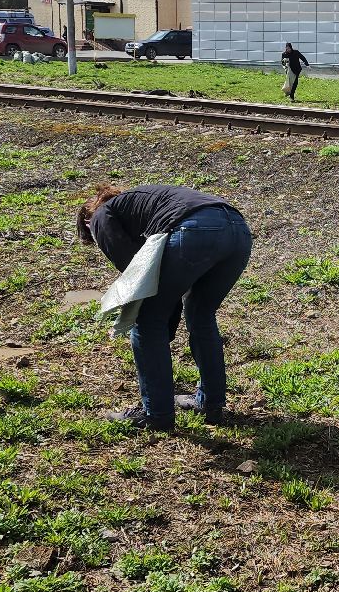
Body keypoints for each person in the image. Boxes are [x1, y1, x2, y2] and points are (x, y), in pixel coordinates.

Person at [77, 184, 253, 430]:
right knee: (201, 315)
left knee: (146, 321)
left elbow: (137, 274)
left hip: (196, 230)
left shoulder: (99, 215)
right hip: (238, 231)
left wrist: (159, 321)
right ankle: (210, 403)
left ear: (87, 222)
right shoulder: (144, 203)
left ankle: (156, 414)